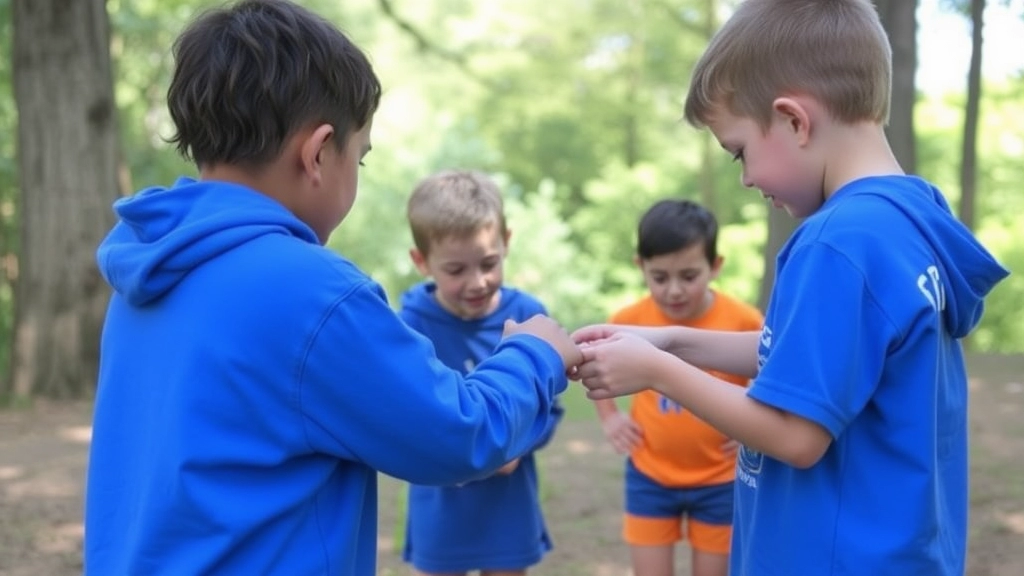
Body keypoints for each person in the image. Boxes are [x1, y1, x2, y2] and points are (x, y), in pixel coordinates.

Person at [84, 2, 581, 575]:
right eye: (360, 158)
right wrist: (534, 354)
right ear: (319, 152)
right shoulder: (311, 291)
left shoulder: (148, 268)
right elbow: (456, 433)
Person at [572, 1, 1009, 575]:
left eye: (740, 152)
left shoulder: (837, 242)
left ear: (794, 120)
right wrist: (670, 341)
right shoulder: (905, 222)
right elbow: (814, 360)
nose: (747, 178)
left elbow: (796, 435)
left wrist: (658, 372)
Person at [399, 169, 561, 576]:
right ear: (422, 262)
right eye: (456, 270)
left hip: (507, 502)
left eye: (489, 263)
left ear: (506, 242)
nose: (478, 282)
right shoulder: (409, 326)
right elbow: (408, 411)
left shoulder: (528, 316)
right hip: (441, 505)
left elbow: (550, 403)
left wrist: (516, 446)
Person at [592, 199, 763, 576]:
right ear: (640, 267)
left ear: (715, 266)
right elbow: (594, 369)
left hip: (720, 479)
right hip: (650, 475)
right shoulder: (628, 321)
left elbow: (765, 379)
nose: (673, 291)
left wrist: (752, 429)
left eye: (688, 276)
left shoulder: (744, 320)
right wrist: (610, 419)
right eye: (660, 277)